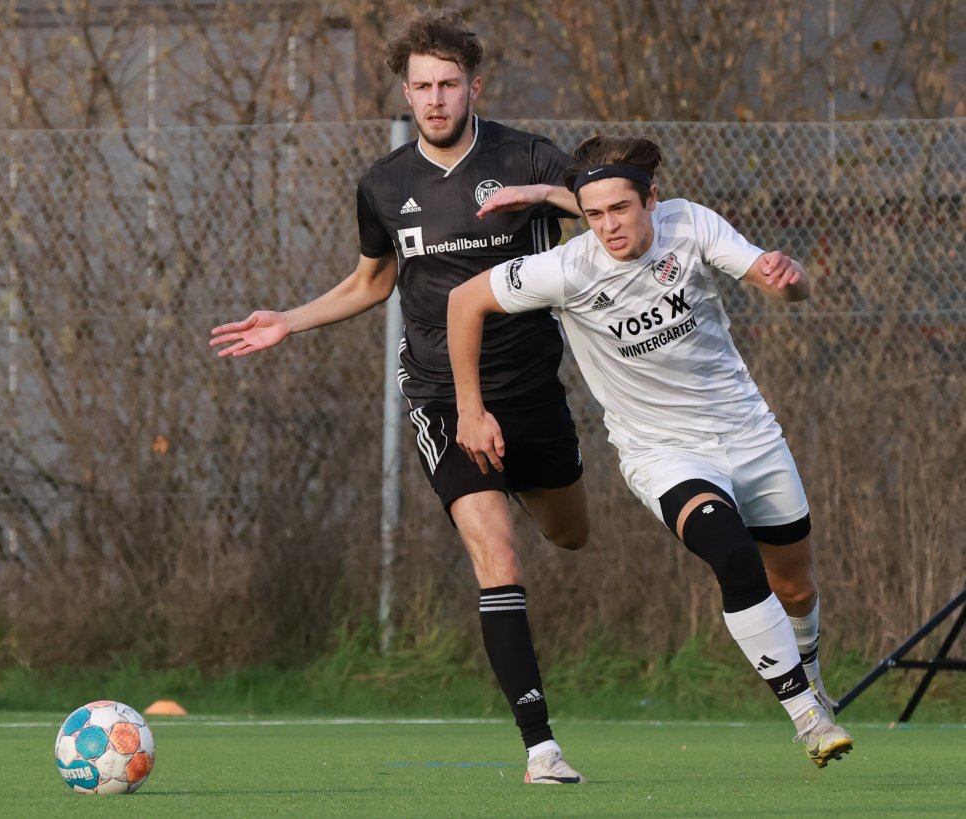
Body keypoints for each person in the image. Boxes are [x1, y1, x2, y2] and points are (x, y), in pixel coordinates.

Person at [211, 9, 590, 784]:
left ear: (474, 85)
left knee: (570, 533)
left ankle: (519, 478)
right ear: (405, 93)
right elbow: (371, 282)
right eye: (421, 86)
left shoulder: (525, 154)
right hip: (442, 395)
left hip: (529, 390)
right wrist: (288, 319)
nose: (435, 99)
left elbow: (618, 212)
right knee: (497, 555)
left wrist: (552, 191)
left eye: (449, 84)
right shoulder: (384, 183)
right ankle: (540, 747)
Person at [447, 134, 854, 769]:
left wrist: (791, 280)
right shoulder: (567, 269)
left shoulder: (689, 225)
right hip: (662, 453)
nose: (609, 225)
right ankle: (806, 715)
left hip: (749, 435)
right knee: (732, 554)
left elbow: (777, 283)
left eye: (621, 209)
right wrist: (470, 411)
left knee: (796, 590)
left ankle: (814, 676)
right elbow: (462, 301)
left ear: (652, 202)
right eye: (594, 213)